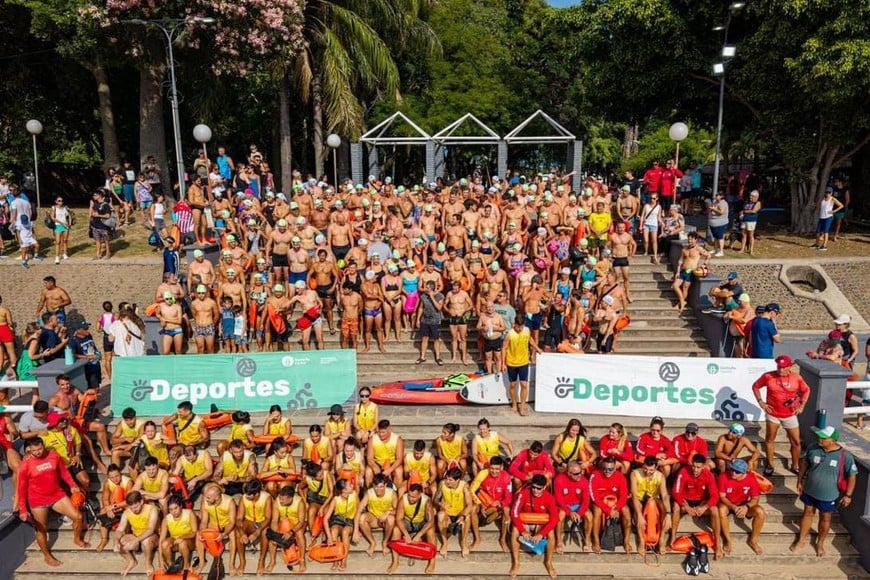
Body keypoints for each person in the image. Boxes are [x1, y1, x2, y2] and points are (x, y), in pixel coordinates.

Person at [17, 437, 86, 566]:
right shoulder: (25, 465)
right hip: (38, 501)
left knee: (78, 516)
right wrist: (22, 509)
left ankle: (77, 538)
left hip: (57, 495)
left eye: (40, 448)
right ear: (29, 450)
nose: (38, 452)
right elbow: (21, 488)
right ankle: (47, 556)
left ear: (44, 445)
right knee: (41, 530)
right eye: (35, 450)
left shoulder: (53, 455)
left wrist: (72, 485)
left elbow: (64, 472)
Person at [790, 426, 857, 558]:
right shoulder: (813, 448)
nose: (820, 439)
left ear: (833, 440)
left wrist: (848, 495)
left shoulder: (845, 456)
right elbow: (804, 463)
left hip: (828, 495)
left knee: (825, 517)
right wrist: (799, 480)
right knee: (807, 513)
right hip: (809, 490)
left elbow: (852, 476)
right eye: (820, 437)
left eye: (823, 438)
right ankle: (801, 540)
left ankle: (820, 543)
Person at [752, 354, 810, 476]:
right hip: (773, 414)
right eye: (779, 367)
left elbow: (806, 390)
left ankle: (795, 465)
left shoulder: (797, 378)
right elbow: (755, 386)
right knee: (770, 439)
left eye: (783, 367)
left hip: (790, 414)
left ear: (790, 367)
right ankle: (770, 464)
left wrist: (802, 405)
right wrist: (761, 402)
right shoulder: (768, 376)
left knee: (796, 442)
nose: (780, 370)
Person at [671, 453, 722, 560]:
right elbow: (676, 492)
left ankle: (717, 543)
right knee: (676, 506)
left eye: (698, 467)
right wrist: (686, 506)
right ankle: (672, 537)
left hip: (701, 502)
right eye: (693, 466)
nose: (695, 469)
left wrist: (704, 507)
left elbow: (715, 496)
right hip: (686, 501)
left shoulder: (708, 474)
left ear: (703, 466)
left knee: (715, 509)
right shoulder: (684, 471)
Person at [508, 473, 558, 578]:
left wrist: (541, 534)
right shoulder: (524, 493)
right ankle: (516, 562)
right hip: (525, 522)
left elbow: (554, 518)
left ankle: (548, 562)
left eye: (538, 488)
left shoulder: (549, 498)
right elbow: (514, 512)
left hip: (540, 523)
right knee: (515, 530)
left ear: (544, 487)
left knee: (551, 533)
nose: (535, 490)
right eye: (533, 487)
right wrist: (523, 530)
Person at [717, 459, 765, 556]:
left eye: (737, 472)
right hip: (728, 503)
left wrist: (746, 507)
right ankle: (728, 540)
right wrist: (733, 506)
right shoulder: (724, 476)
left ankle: (753, 540)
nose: (733, 473)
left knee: (760, 512)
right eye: (732, 469)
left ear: (743, 473)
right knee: (721, 510)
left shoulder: (751, 479)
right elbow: (722, 496)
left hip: (743, 503)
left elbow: (755, 498)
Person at [388, 482, 436, 574]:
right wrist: (406, 534)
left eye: (413, 497)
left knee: (431, 530)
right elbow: (398, 519)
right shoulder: (403, 499)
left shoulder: (426, 501)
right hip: (408, 522)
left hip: (420, 523)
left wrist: (419, 535)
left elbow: (431, 521)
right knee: (395, 530)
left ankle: (432, 561)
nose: (410, 498)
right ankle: (395, 561)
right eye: (409, 495)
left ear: (420, 495)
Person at [630, 456, 671, 555]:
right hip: (639, 499)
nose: (648, 472)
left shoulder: (660, 476)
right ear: (643, 466)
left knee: (663, 508)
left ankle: (661, 540)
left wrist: (668, 514)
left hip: (654, 498)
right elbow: (634, 495)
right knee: (637, 509)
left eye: (651, 470)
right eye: (645, 469)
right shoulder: (635, 474)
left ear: (656, 468)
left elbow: (664, 495)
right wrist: (639, 515)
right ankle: (641, 540)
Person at [115, 490, 161, 576]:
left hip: (152, 536)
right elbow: (120, 529)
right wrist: (117, 541)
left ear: (141, 501)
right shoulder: (127, 512)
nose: (134, 510)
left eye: (135, 507)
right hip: (137, 536)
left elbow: (151, 529)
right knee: (121, 541)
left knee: (146, 541)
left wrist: (135, 540)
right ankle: (131, 561)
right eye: (131, 508)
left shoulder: (152, 509)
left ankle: (148, 562)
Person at [503, 318, 541, 416]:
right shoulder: (509, 334)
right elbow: (504, 348)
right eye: (518, 326)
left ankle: (523, 406)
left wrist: (537, 348)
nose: (520, 329)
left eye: (521, 326)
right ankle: (514, 404)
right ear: (514, 324)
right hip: (511, 362)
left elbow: (530, 340)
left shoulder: (527, 330)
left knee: (524, 384)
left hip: (523, 362)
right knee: (512, 385)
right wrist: (503, 363)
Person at [197, 482, 238, 573]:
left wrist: (223, 535)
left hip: (227, 525)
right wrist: (201, 532)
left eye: (208, 497)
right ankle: (201, 562)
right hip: (214, 524)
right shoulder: (205, 501)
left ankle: (231, 564)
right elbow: (204, 521)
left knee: (232, 534)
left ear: (216, 497)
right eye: (205, 497)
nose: (205, 499)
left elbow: (232, 522)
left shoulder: (229, 501)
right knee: (198, 534)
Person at [553, 460, 592, 554]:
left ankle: (586, 539)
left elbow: (586, 500)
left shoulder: (584, 481)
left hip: (578, 505)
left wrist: (579, 513)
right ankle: (559, 541)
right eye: (576, 474)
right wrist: (569, 512)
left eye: (581, 472)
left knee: (589, 516)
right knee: (561, 515)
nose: (580, 475)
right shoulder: (559, 479)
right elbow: (558, 499)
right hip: (564, 505)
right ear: (568, 473)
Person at [267, 484, 307, 573]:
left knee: (300, 534)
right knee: (271, 537)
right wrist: (275, 535)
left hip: (296, 525)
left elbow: (301, 522)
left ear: (290, 498)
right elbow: (274, 520)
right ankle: (272, 561)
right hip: (283, 523)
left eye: (283, 500)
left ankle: (302, 560)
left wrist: (291, 532)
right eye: (280, 498)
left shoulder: (299, 502)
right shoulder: (277, 501)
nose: (280, 501)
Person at [235, 480, 273, 575]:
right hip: (249, 521)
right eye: (246, 494)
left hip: (262, 522)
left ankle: (261, 560)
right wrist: (242, 532)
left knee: (265, 532)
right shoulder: (243, 498)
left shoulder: (266, 498)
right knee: (238, 532)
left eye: (249, 495)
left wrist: (257, 532)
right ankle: (242, 561)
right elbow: (239, 518)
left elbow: (268, 518)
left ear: (256, 494)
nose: (246, 496)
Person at [435, 466, 474, 558]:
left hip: (460, 512)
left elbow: (469, 505)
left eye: (450, 480)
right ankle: (444, 543)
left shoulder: (464, 486)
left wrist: (462, 516)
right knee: (440, 515)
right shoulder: (442, 483)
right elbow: (435, 499)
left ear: (458, 480)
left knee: (467, 516)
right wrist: (440, 503)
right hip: (447, 513)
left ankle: (463, 542)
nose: (447, 481)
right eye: (447, 479)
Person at [322, 478, 359, 571]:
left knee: (345, 532)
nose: (352, 486)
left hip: (350, 521)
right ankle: (335, 558)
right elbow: (325, 519)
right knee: (333, 530)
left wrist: (356, 531)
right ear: (344, 490)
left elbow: (358, 513)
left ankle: (344, 560)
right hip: (338, 521)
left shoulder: (355, 495)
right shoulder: (335, 499)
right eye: (349, 485)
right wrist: (329, 537)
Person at [358, 473, 398, 556]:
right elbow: (359, 510)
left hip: (386, 521)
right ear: (373, 485)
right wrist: (355, 530)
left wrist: (388, 513)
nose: (378, 489)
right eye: (376, 487)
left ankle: (385, 542)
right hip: (375, 519)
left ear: (385, 485)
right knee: (362, 518)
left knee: (391, 519)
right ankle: (372, 542)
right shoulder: (369, 493)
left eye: (381, 486)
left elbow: (398, 510)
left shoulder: (392, 493)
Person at [157, 494, 199, 573]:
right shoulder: (166, 519)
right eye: (171, 509)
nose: (174, 511)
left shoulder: (189, 513)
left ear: (180, 506)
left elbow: (194, 532)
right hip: (175, 541)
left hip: (189, 540)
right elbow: (161, 539)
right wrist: (160, 559)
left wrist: (182, 537)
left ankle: (186, 565)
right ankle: (171, 565)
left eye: (176, 508)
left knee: (182, 543)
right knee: (164, 543)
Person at [366, 419, 404, 487]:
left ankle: (397, 493)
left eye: (383, 432)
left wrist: (390, 470)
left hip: (392, 463)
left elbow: (399, 459)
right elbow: (369, 458)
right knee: (368, 471)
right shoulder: (372, 439)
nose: (381, 434)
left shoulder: (398, 439)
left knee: (399, 471)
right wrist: (375, 467)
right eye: (379, 432)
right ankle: (370, 491)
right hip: (378, 463)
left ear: (389, 429)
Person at [416, 280, 445, 364]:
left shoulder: (440, 296)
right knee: (424, 337)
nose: (425, 288)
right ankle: (422, 356)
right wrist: (418, 319)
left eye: (427, 287)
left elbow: (439, 308)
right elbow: (421, 307)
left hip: (435, 320)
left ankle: (438, 357)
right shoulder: (423, 296)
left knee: (436, 338)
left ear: (431, 288)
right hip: (425, 319)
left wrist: (432, 297)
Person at [812, 186, 844, 251]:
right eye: (826, 192)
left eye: (829, 192)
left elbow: (841, 205)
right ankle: (817, 244)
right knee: (818, 231)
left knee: (826, 231)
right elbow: (819, 206)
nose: (828, 193)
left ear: (831, 193)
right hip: (822, 217)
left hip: (828, 217)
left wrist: (834, 211)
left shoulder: (833, 199)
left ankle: (824, 246)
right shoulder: (822, 199)